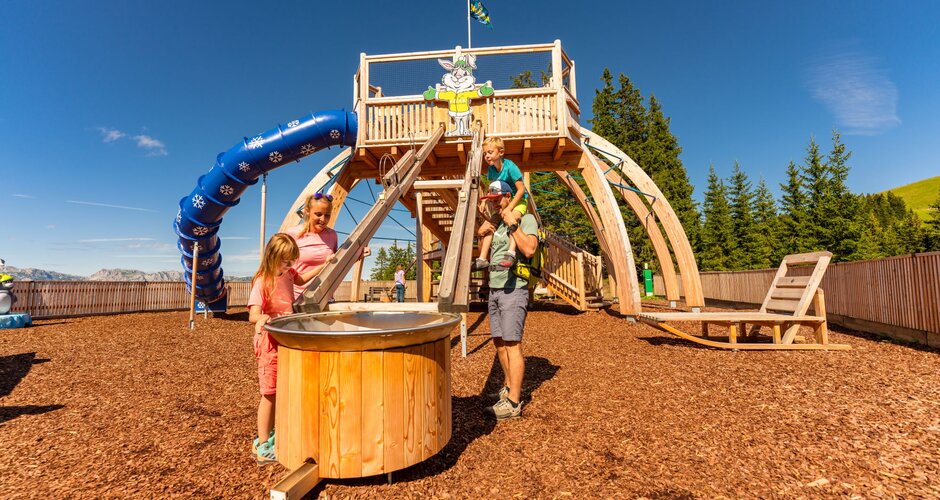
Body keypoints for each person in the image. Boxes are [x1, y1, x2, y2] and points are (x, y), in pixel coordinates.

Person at [247, 233, 334, 464]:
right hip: (269, 340)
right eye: (285, 261)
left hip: (285, 337)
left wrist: (323, 265)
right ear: (272, 256)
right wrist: (262, 316)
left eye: (291, 260)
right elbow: (253, 313)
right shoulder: (262, 281)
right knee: (269, 393)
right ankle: (263, 444)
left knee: (282, 389)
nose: (289, 265)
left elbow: (301, 279)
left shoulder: (287, 274)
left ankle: (274, 432)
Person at [478, 180, 539, 420]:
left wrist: (513, 225)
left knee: (512, 344)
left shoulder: (526, 219)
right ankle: (507, 388)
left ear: (508, 196)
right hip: (495, 287)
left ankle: (513, 402)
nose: (492, 203)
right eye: (490, 200)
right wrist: (481, 233)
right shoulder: (496, 222)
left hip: (514, 288)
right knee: (499, 342)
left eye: (496, 199)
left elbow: (530, 249)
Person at [473, 137, 528, 271]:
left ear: (501, 152)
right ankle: (482, 259)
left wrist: (509, 208)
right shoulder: (491, 170)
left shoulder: (510, 167)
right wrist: (485, 200)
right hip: (502, 202)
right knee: (490, 224)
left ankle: (510, 253)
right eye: (485, 153)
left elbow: (521, 190)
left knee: (512, 220)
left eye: (490, 152)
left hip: (518, 200)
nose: (487, 156)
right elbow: (492, 187)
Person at [285, 192, 340, 299]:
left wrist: (358, 253)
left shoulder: (332, 235)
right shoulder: (292, 234)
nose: (323, 220)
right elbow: (281, 269)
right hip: (297, 298)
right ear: (307, 211)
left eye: (327, 215)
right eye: (318, 214)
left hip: (325, 297)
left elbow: (335, 262)